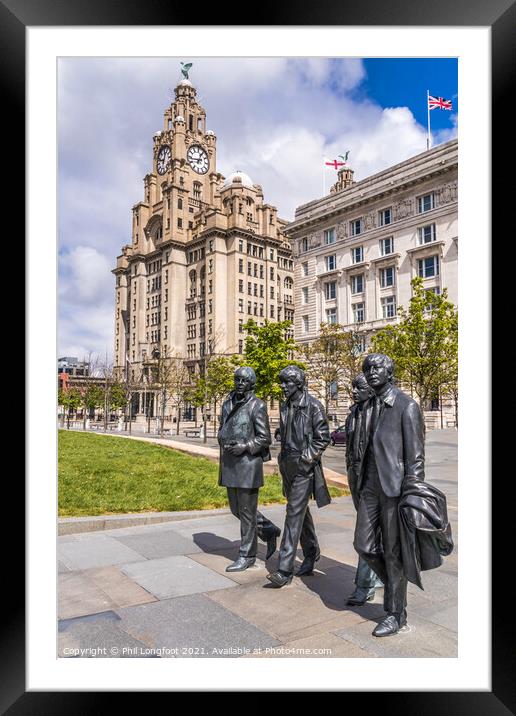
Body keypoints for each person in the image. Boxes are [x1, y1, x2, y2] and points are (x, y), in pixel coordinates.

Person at [353, 353, 426, 636]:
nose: (371, 372)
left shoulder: (406, 407)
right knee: (365, 546)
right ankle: (396, 586)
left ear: (389, 372)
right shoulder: (369, 405)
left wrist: (413, 495)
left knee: (394, 552)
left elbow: (416, 458)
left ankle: (396, 613)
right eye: (367, 368)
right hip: (369, 487)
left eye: (377, 368)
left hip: (395, 489)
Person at [267, 365, 331, 587]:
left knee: (293, 513)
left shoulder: (314, 406)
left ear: (299, 384)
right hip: (288, 465)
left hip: (304, 467)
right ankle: (311, 551)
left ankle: (284, 570)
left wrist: (307, 458)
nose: (283, 387)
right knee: (300, 511)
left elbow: (322, 438)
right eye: (282, 382)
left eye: (287, 383)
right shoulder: (286, 405)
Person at [218, 367, 281, 572]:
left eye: (244, 380)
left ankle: (247, 555)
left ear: (251, 383)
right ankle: (268, 530)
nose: (239, 383)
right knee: (236, 509)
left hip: (247, 464)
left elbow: (264, 438)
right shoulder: (228, 402)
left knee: (246, 512)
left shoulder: (257, 405)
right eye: (237, 379)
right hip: (230, 462)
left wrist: (244, 446)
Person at [344, 373, 383, 606]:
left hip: (376, 479)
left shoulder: (383, 412)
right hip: (356, 477)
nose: (354, 392)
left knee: (365, 535)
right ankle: (378, 575)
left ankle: (364, 585)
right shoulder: (353, 414)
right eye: (353, 388)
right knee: (373, 531)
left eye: (359, 388)